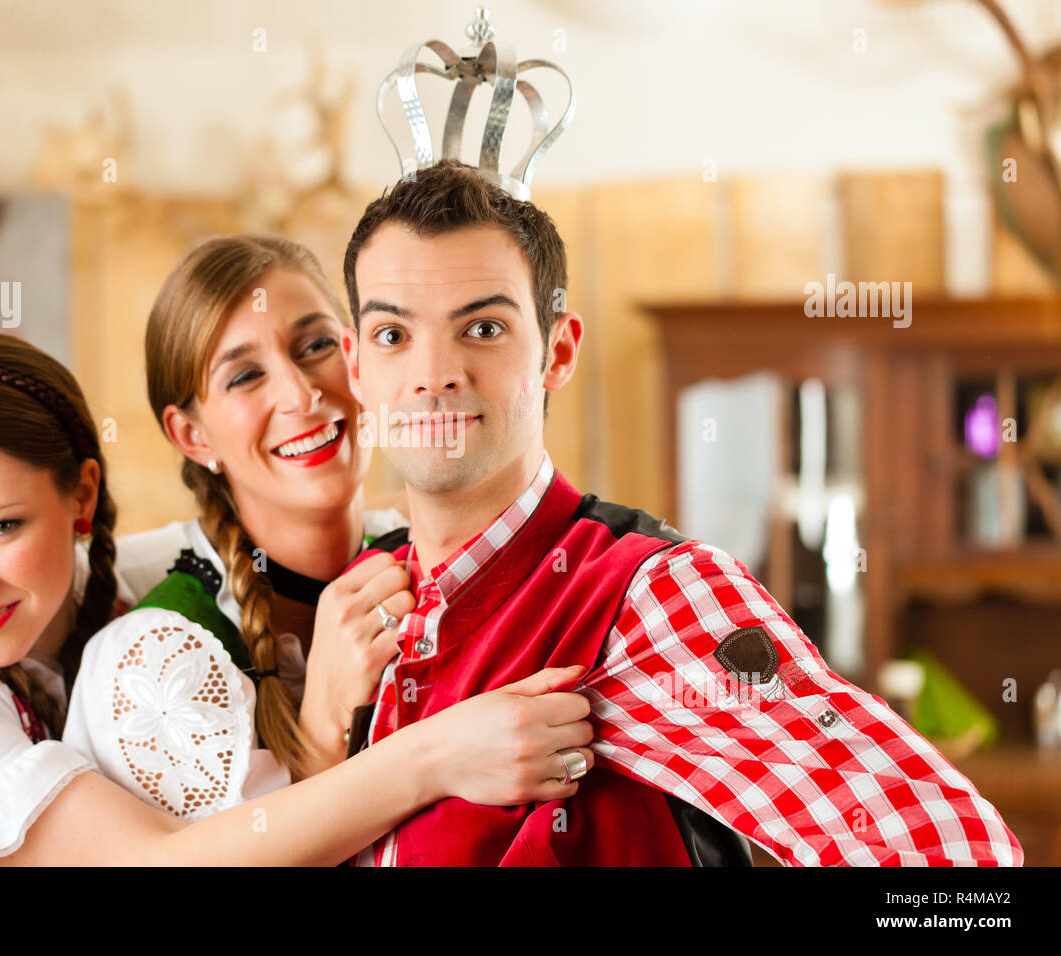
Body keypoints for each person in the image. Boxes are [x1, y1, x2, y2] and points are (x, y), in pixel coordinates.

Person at [336, 159, 1025, 866]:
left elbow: (958, 861)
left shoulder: (653, 596)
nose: (434, 374)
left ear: (558, 352)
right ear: (357, 367)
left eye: (482, 329)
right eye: (394, 336)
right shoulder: (364, 597)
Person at [0, 332, 595, 866]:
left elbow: (295, 532)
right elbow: (157, 864)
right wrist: (440, 756)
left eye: (1, 526)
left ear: (82, 496)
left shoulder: (141, 582)